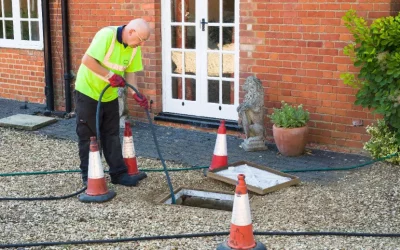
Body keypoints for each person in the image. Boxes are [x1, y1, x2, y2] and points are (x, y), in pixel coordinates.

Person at [74, 18, 151, 186]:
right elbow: (87, 60)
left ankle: (119, 174)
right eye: (140, 39)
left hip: (109, 95)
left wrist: (135, 93)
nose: (141, 44)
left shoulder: (133, 48)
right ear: (131, 32)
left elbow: (130, 72)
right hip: (87, 92)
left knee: (112, 135)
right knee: (89, 136)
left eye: (144, 41)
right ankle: (90, 178)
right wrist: (110, 76)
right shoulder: (106, 36)